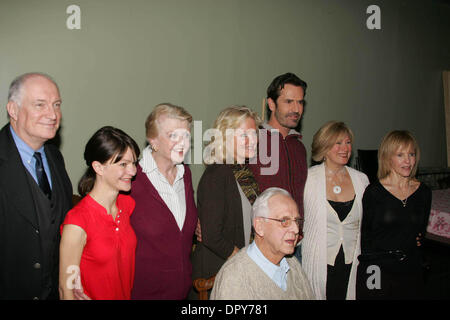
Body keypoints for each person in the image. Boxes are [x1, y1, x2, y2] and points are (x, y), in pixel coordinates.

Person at [0, 73, 73, 300]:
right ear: (13, 109)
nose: (52, 115)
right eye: (40, 105)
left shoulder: (54, 157)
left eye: (56, 105)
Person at [59, 126, 140, 300]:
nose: (132, 171)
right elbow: (66, 290)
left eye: (134, 163)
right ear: (98, 167)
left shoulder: (127, 205)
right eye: (123, 164)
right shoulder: (77, 221)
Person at [190, 106, 261, 298]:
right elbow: (212, 236)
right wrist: (247, 261)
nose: (252, 140)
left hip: (237, 272)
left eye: (254, 134)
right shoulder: (217, 173)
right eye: (244, 134)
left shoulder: (245, 174)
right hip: (215, 276)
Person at [130, 103, 197, 300]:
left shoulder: (186, 175)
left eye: (185, 135)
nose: (181, 142)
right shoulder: (131, 179)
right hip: (143, 294)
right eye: (172, 135)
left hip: (182, 292)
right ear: (153, 141)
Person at [357, 130, 431, 300]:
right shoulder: (374, 192)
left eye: (411, 154)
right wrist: (371, 281)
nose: (408, 160)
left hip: (411, 269)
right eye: (400, 155)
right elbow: (366, 241)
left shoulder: (424, 192)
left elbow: (420, 234)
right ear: (388, 158)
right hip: (380, 270)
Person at [301, 121, 369, 300]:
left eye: (347, 142)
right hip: (318, 263)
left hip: (352, 263)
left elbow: (371, 222)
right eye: (337, 143)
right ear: (324, 147)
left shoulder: (361, 180)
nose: (344, 148)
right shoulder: (308, 179)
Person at [211, 187, 314, 300]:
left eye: (297, 221)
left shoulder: (292, 264)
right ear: (259, 226)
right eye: (284, 221)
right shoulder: (235, 278)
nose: (295, 229)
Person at [248, 72, 308, 261]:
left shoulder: (299, 147)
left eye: (300, 102)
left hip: (295, 246)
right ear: (271, 104)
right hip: (262, 247)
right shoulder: (253, 140)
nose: (296, 109)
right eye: (289, 102)